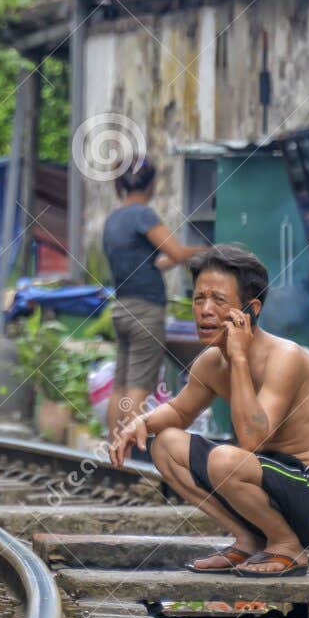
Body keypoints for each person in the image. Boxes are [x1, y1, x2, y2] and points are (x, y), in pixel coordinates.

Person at [109, 244, 309, 577]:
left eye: (218, 300)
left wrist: (239, 358)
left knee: (224, 459)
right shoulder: (210, 362)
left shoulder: (285, 358)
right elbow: (179, 413)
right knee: (165, 444)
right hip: (263, 482)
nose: (205, 310)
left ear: (251, 309)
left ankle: (287, 547)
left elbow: (252, 439)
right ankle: (248, 540)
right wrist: (140, 423)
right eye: (198, 299)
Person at [100, 158, 206, 438]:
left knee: (120, 386)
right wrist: (212, 251)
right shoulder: (142, 215)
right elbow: (178, 253)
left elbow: (156, 261)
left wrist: (174, 258)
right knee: (139, 387)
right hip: (145, 312)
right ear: (150, 184)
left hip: (121, 309)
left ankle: (114, 448)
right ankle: (131, 451)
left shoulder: (113, 219)